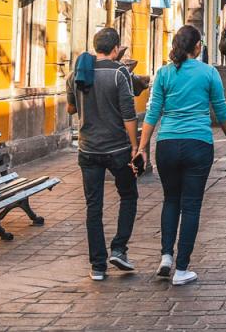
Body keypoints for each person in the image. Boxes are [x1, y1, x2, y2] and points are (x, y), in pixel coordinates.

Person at [137, 25, 226, 286]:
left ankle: (165, 256)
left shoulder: (163, 73)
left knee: (170, 200)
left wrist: (142, 147)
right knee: (191, 205)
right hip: (198, 144)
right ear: (197, 47)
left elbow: (153, 113)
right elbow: (221, 111)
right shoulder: (209, 73)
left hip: (167, 144)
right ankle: (182, 268)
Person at [76, 27, 141, 281]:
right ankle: (119, 248)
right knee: (128, 195)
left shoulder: (78, 73)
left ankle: (98, 266)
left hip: (88, 148)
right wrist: (135, 146)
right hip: (117, 148)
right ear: (115, 49)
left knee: (94, 207)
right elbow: (128, 113)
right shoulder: (119, 72)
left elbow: (72, 106)